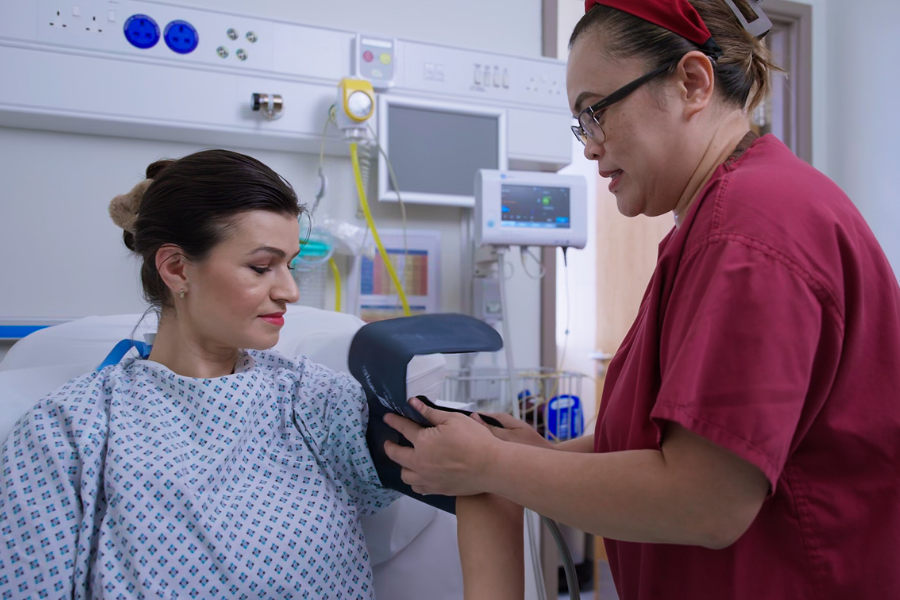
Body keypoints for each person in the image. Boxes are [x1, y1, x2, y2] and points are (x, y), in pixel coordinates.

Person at [382, 1, 900, 598]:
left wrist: (492, 467)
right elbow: (674, 445)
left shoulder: (751, 232)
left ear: (692, 83)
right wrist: (546, 456)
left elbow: (707, 500)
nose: (589, 148)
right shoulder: (722, 220)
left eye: (594, 114)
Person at [0, 149, 522, 599]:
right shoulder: (70, 431)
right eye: (261, 267)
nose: (290, 291)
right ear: (177, 268)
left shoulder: (315, 402)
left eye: (290, 264)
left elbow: (480, 478)